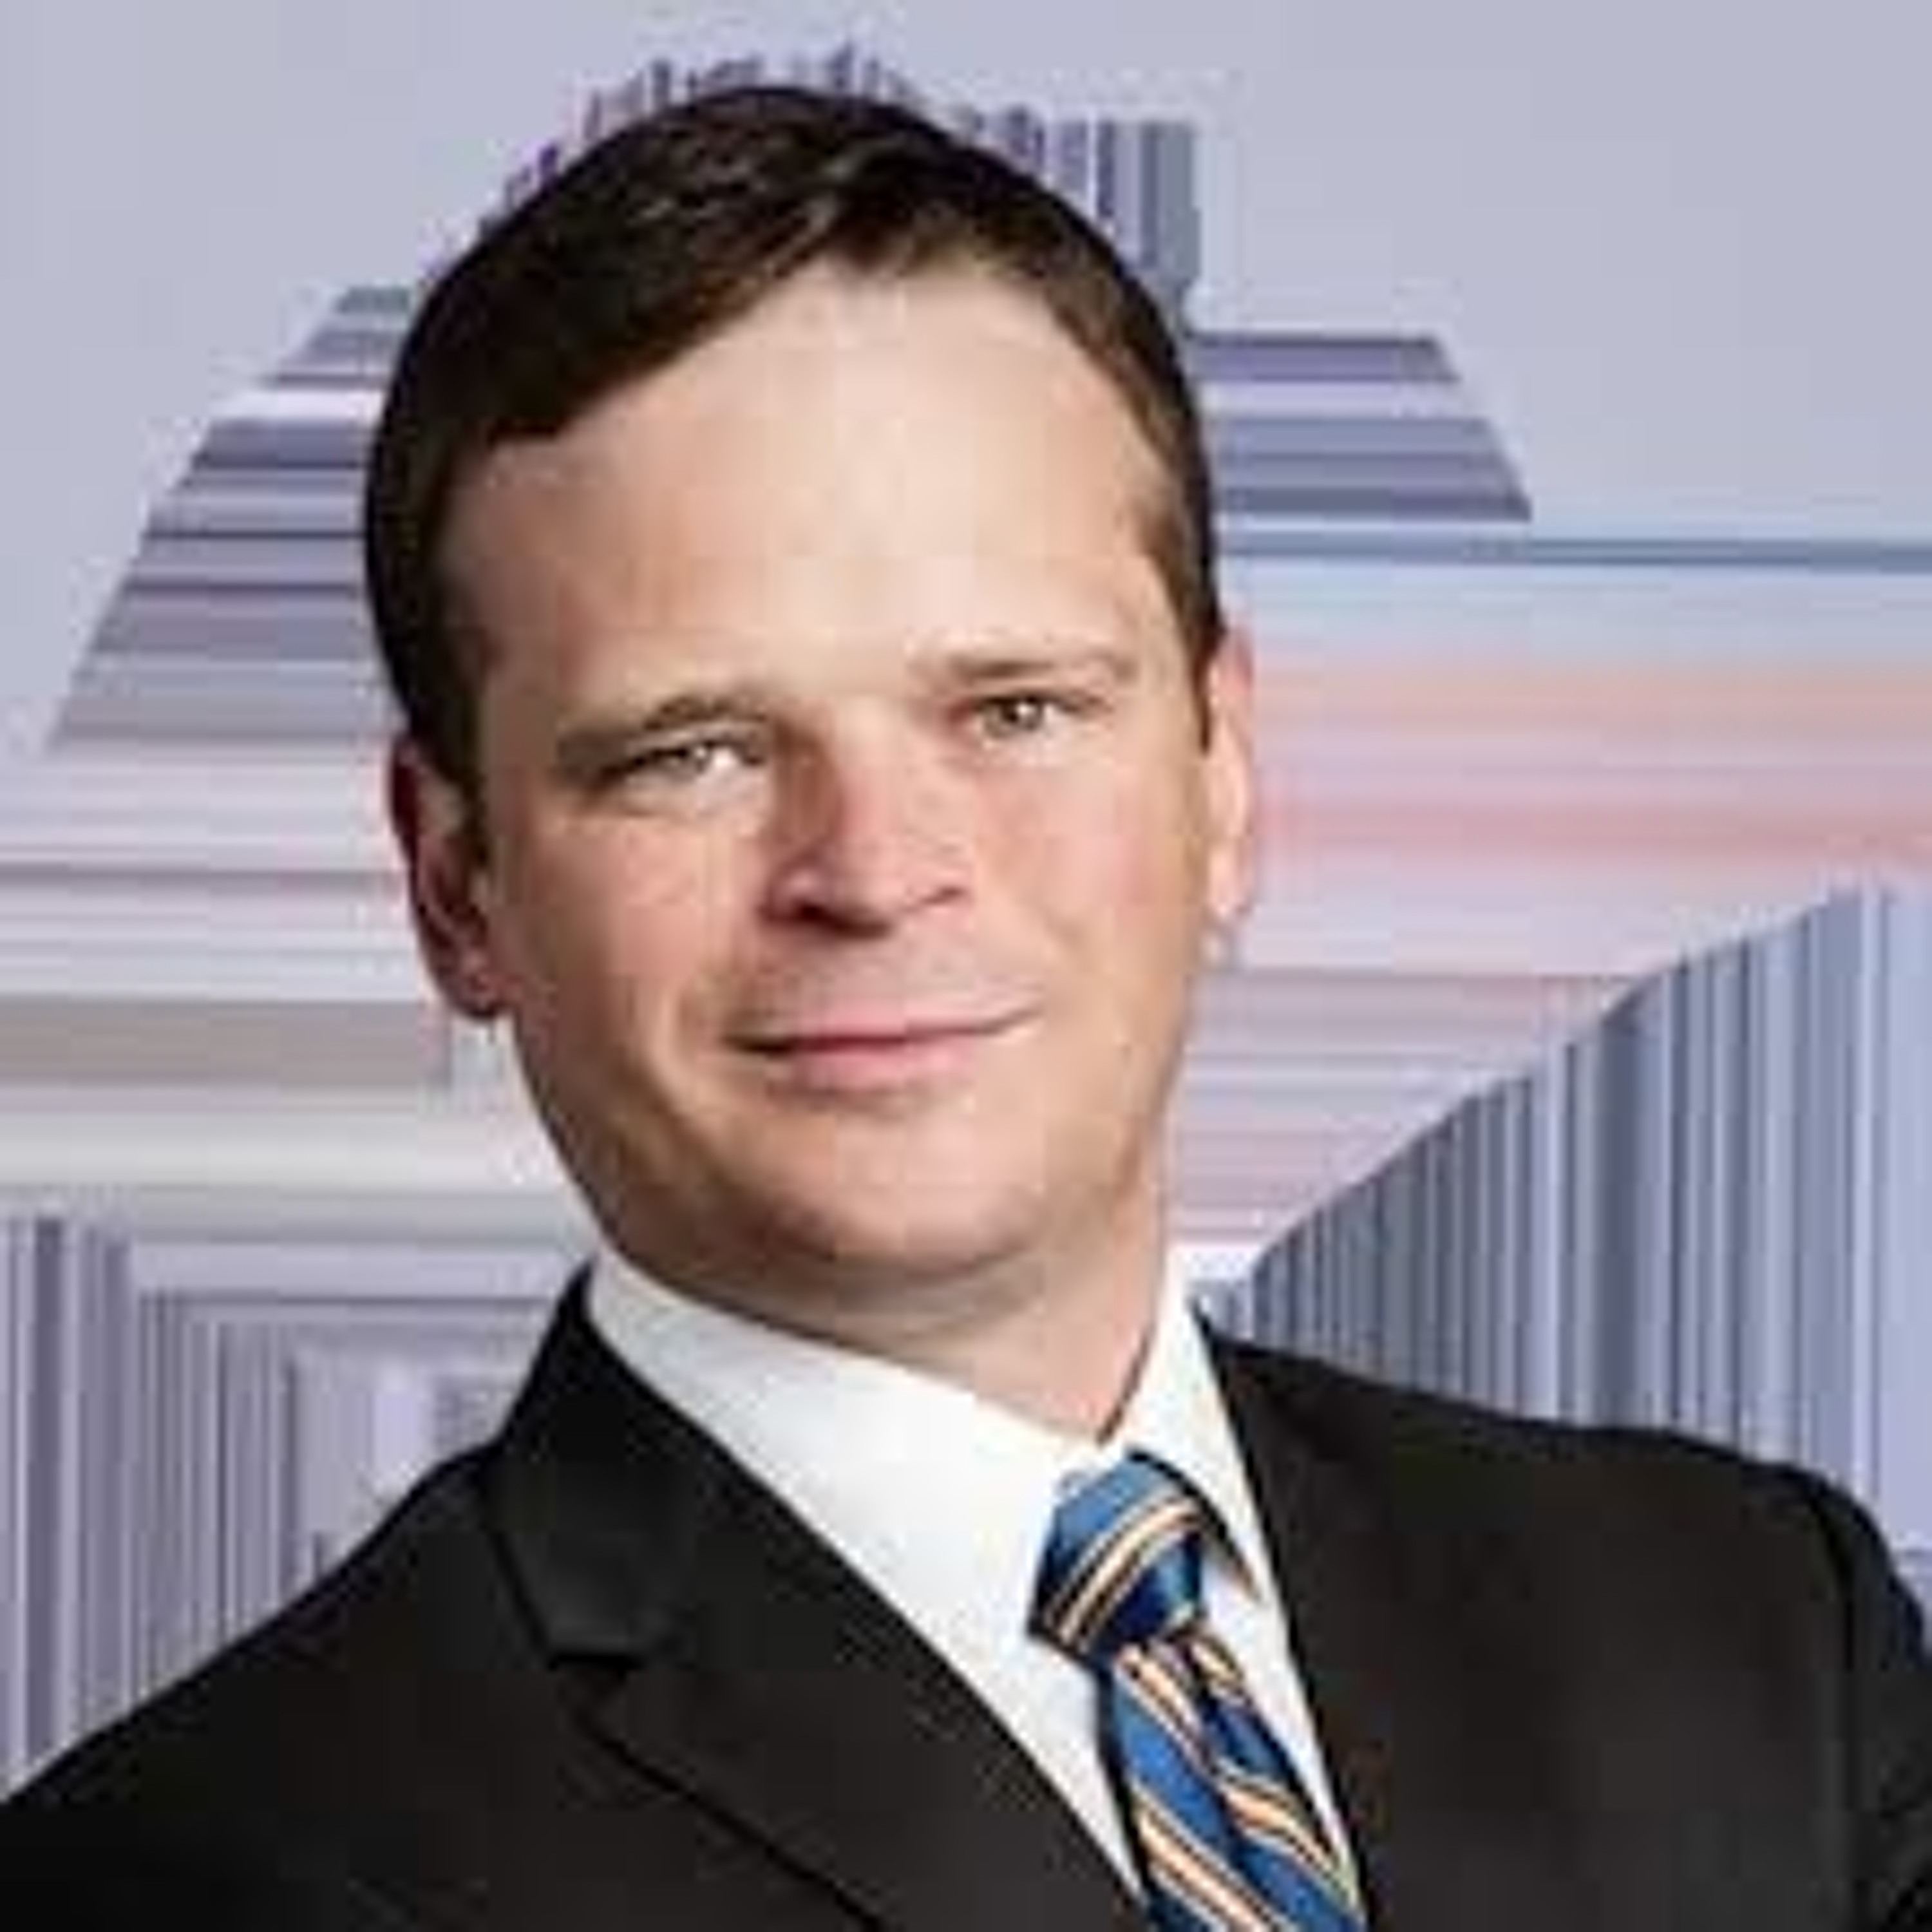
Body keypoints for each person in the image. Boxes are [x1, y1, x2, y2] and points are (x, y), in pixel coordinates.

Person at [3, 83, 1930, 1931]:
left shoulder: (1753, 1634)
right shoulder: (214, 1873)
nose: (875, 867)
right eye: (690, 751)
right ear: (457, 882)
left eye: (1015, 709)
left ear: (1221, 770)